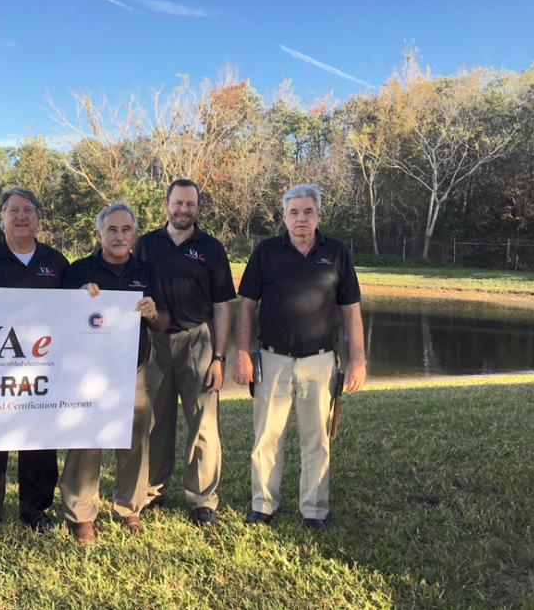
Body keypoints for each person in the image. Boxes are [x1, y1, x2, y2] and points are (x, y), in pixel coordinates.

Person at [231, 183, 366, 533]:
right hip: (271, 359)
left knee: (316, 440)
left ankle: (314, 511)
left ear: (319, 215)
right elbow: (246, 306)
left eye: (307, 212)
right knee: (267, 437)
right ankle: (263, 506)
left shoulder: (336, 252)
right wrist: (242, 353)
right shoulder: (266, 251)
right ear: (284, 216)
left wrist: (358, 359)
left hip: (320, 362)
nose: (301, 219)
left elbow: (350, 310)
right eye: (294, 212)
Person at [60, 203, 169, 543]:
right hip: (88, 370)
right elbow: (57, 320)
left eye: (126, 229)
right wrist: (76, 301)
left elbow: (164, 322)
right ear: (99, 234)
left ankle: (129, 507)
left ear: (134, 235)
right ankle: (81, 514)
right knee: (86, 440)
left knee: (135, 439)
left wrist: (153, 313)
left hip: (135, 368)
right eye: (112, 229)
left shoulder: (147, 272)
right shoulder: (79, 271)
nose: (119, 236)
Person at [0, 187, 70, 539]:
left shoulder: (56, 262)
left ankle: (35, 511)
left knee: (40, 441)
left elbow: (72, 313)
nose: (21, 216)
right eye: (13, 210)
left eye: (28, 210)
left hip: (41, 367)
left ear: (38, 217)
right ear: (2, 218)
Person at [133, 179, 236, 526]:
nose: (183, 210)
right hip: (153, 341)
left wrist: (219, 357)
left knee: (203, 423)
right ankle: (152, 491)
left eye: (190, 204)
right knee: (154, 421)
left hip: (197, 340)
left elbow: (222, 306)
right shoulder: (145, 244)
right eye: (178, 203)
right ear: (166, 204)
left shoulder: (211, 248)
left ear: (197, 208)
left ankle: (202, 499)